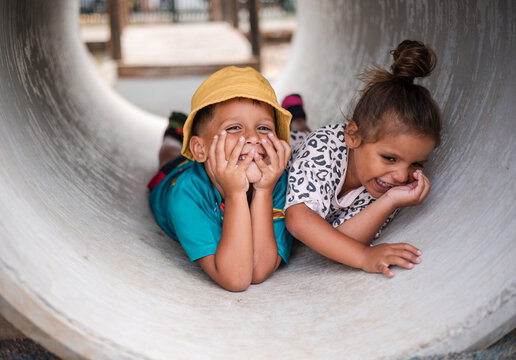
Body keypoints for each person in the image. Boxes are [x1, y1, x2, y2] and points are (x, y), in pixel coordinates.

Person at [284, 40, 442, 278]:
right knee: (299, 135)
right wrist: (364, 257)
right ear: (353, 136)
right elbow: (298, 220)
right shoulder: (323, 149)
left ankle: (298, 119)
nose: (401, 175)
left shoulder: (389, 183)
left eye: (416, 163)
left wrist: (389, 201)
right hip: (295, 148)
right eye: (389, 158)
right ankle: (294, 119)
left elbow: (341, 241)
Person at [148, 66, 293, 291]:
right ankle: (175, 131)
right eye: (234, 128)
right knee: (170, 153)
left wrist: (264, 191)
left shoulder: (277, 183)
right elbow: (236, 278)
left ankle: (297, 117)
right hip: (172, 177)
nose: (253, 137)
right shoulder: (186, 195)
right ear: (199, 148)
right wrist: (236, 194)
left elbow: (258, 270)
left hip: (207, 167)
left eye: (264, 128)